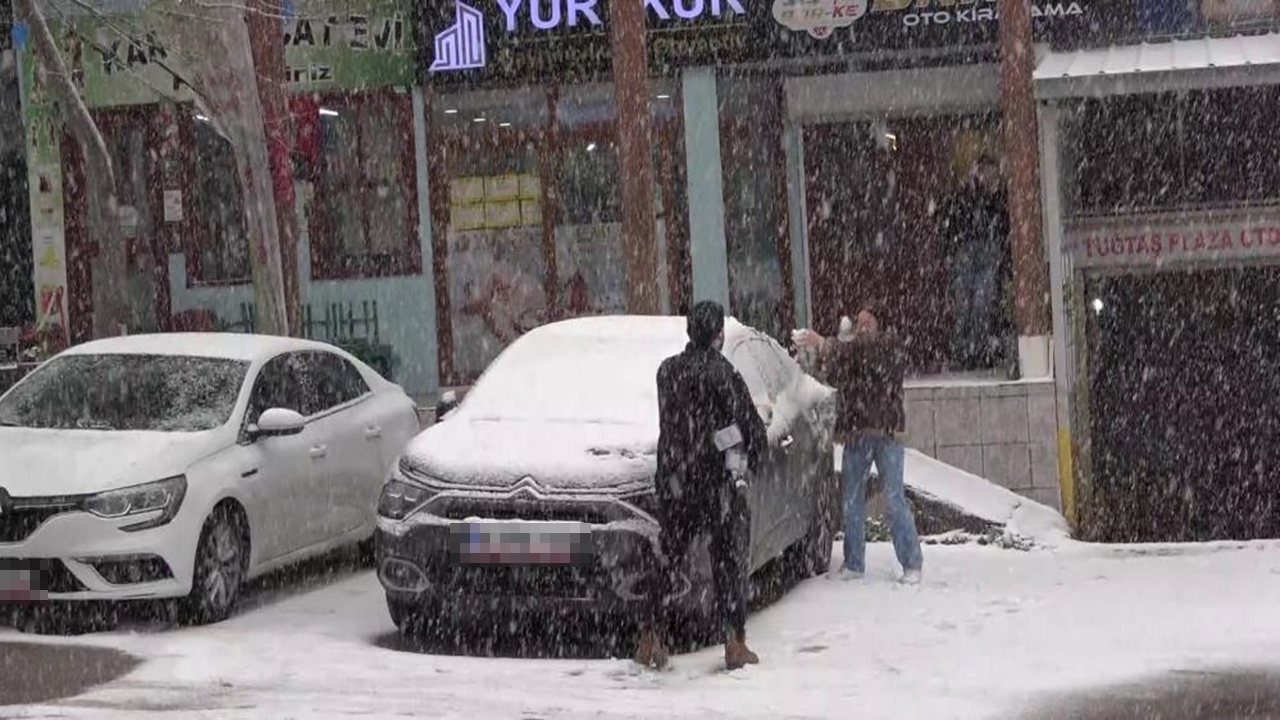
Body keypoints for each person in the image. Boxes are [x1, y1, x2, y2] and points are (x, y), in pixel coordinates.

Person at [635, 301, 768, 671]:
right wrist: (743, 458)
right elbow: (739, 428)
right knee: (727, 563)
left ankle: (650, 636)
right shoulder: (723, 373)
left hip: (677, 482)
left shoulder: (668, 371)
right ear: (718, 335)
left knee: (669, 558)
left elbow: (673, 428)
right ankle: (733, 641)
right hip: (714, 483)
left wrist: (676, 468)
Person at [795, 307, 923, 584]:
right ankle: (854, 563)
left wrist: (826, 343)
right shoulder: (852, 353)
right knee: (851, 500)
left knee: (893, 499)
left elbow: (865, 353)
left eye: (868, 322)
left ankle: (912, 563)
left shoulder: (888, 346)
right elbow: (832, 374)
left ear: (879, 326)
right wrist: (815, 355)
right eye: (859, 323)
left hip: (887, 434)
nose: (863, 327)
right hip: (857, 435)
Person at [940, 153, 1013, 372]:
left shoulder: (995, 195)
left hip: (986, 249)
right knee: (967, 304)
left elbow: (1002, 220)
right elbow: (954, 216)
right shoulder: (967, 194)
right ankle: (966, 351)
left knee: (982, 303)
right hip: (969, 248)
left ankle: (976, 351)